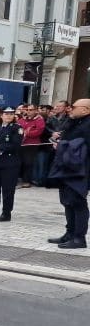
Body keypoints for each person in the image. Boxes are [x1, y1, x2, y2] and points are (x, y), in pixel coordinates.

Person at [47, 98, 90, 249]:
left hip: (80, 170)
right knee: (67, 202)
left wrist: (64, 146)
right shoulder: (74, 122)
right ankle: (69, 233)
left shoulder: (88, 125)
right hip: (66, 168)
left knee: (78, 203)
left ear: (86, 110)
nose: (70, 109)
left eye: (74, 107)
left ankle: (79, 238)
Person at [18, 105, 46, 187]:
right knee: (19, 162)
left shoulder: (39, 120)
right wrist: (24, 132)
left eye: (31, 110)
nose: (28, 111)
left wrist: (26, 133)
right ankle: (17, 179)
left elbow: (38, 131)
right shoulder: (22, 119)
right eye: (27, 110)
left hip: (31, 144)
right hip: (21, 143)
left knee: (28, 162)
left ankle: (26, 180)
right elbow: (18, 129)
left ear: (36, 111)